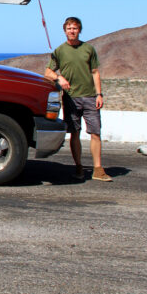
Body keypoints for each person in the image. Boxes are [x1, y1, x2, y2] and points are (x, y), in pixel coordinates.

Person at [44, 17, 112, 182]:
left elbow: (95, 72)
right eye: (69, 28)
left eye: (74, 28)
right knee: (75, 133)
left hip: (90, 97)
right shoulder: (60, 51)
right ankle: (79, 167)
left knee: (95, 132)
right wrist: (59, 78)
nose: (72, 31)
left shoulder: (88, 49)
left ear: (79, 30)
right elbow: (47, 72)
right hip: (71, 99)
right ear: (65, 31)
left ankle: (98, 169)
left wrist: (99, 94)